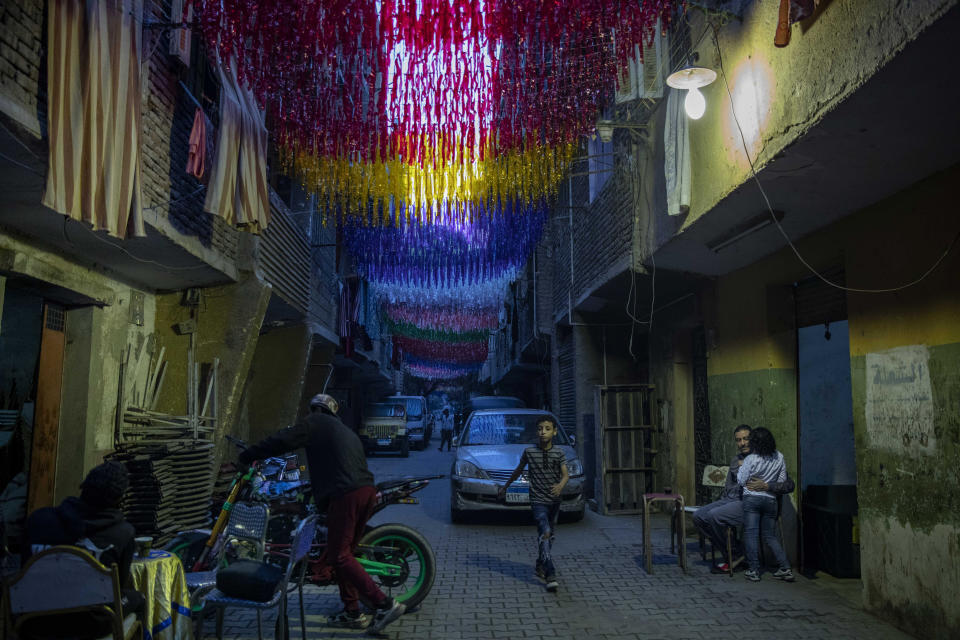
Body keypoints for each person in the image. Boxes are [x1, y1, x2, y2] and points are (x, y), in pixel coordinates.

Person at [238, 393, 405, 633]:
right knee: (344, 555)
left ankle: (385, 603)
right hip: (365, 491)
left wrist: (248, 455)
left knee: (340, 556)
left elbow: (282, 440)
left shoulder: (314, 423)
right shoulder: (344, 430)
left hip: (345, 494)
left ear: (316, 409)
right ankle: (353, 613)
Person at [20, 461, 144, 638]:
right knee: (138, 599)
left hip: (35, 620)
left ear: (84, 486)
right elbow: (117, 588)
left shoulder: (38, 520)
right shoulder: (122, 534)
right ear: (120, 499)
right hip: (91, 623)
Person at [692, 424, 795, 574]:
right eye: (738, 440)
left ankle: (735, 556)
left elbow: (789, 484)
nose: (742, 443)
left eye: (746, 439)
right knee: (698, 516)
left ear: (752, 439)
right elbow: (741, 475)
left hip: (747, 502)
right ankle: (737, 552)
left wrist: (768, 485)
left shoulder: (767, 457)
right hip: (728, 499)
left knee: (714, 516)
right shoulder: (737, 460)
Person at [496, 417, 569, 592]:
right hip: (538, 500)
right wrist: (505, 487)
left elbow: (565, 474)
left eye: (547, 428)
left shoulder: (559, 453)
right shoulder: (529, 452)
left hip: (554, 501)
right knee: (545, 532)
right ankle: (550, 572)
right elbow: (518, 470)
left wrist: (560, 485)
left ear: (554, 432)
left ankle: (540, 563)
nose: (543, 432)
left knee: (550, 536)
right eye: (540, 429)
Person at [737, 426, 794, 582]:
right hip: (770, 499)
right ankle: (785, 568)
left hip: (752, 499)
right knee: (770, 535)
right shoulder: (779, 457)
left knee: (751, 534)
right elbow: (781, 481)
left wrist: (742, 468)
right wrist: (767, 484)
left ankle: (754, 570)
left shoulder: (751, 459)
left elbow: (741, 481)